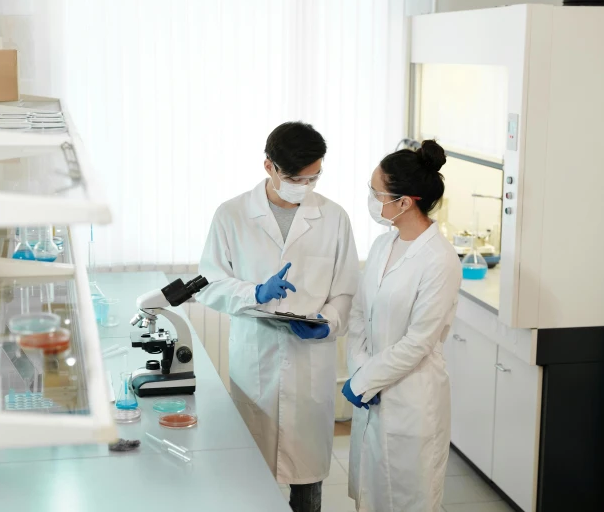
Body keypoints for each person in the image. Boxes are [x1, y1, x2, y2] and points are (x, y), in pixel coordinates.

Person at [196, 121, 359, 512]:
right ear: (268, 166)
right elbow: (210, 284)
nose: (305, 185)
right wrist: (255, 292)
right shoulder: (232, 214)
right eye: (296, 178)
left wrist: (328, 321)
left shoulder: (334, 218)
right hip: (256, 363)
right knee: (252, 480)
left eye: (314, 177)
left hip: (310, 365)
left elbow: (347, 289)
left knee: (307, 482)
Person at [342, 140, 462, 512]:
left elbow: (418, 342)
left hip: (412, 397)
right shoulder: (383, 245)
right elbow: (360, 313)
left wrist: (366, 380)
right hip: (374, 390)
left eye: (376, 192)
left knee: (410, 499)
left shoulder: (439, 260)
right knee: (372, 495)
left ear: (405, 202)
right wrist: (361, 369)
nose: (371, 199)